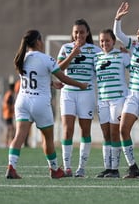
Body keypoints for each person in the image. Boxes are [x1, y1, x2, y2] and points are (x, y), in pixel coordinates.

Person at [6, 30, 88, 179]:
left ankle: (11, 167)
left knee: (18, 136)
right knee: (47, 139)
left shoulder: (21, 58)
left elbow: (33, 78)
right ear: (38, 41)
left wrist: (50, 83)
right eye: (41, 40)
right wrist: (80, 85)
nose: (43, 43)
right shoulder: (46, 59)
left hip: (22, 101)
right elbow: (64, 78)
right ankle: (55, 169)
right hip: (40, 103)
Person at [113, 2, 139, 179]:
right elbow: (118, 34)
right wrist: (117, 19)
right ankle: (132, 167)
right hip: (133, 94)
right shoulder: (134, 46)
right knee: (123, 129)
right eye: (138, 34)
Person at [57, 19, 101, 177]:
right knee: (67, 130)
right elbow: (58, 69)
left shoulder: (95, 50)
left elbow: (103, 67)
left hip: (86, 93)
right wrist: (72, 54)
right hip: (68, 93)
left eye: (82, 32)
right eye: (76, 32)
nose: (79, 35)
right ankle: (67, 166)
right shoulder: (65, 48)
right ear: (72, 33)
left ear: (87, 33)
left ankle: (81, 168)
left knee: (85, 130)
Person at [93, 29, 130, 178]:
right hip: (102, 100)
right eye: (101, 41)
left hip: (118, 99)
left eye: (107, 40)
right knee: (106, 135)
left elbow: (135, 69)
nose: (104, 43)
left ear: (113, 41)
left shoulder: (121, 56)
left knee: (115, 133)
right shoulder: (96, 57)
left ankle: (115, 169)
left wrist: (129, 54)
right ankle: (107, 168)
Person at [3, 83, 15, 147]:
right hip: (8, 114)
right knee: (11, 129)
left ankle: (8, 143)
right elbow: (8, 103)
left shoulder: (7, 94)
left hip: (7, 114)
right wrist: (12, 109)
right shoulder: (10, 95)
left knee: (10, 129)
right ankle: (9, 143)